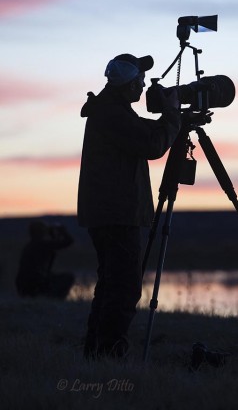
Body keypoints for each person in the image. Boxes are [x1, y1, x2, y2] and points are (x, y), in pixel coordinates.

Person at [77, 53, 181, 359]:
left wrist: (169, 117)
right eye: (140, 80)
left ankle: (95, 354)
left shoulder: (112, 110)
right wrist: (173, 117)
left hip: (110, 213)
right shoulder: (112, 114)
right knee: (122, 289)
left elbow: (144, 134)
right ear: (128, 83)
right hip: (117, 214)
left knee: (111, 285)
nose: (144, 84)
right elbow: (152, 145)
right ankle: (108, 354)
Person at [15, 220, 74, 299]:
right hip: (35, 284)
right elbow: (68, 241)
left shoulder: (29, 246)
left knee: (50, 276)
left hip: (23, 286)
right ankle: (55, 299)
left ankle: (48, 297)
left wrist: (52, 234)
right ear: (41, 232)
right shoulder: (43, 245)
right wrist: (62, 231)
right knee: (69, 278)